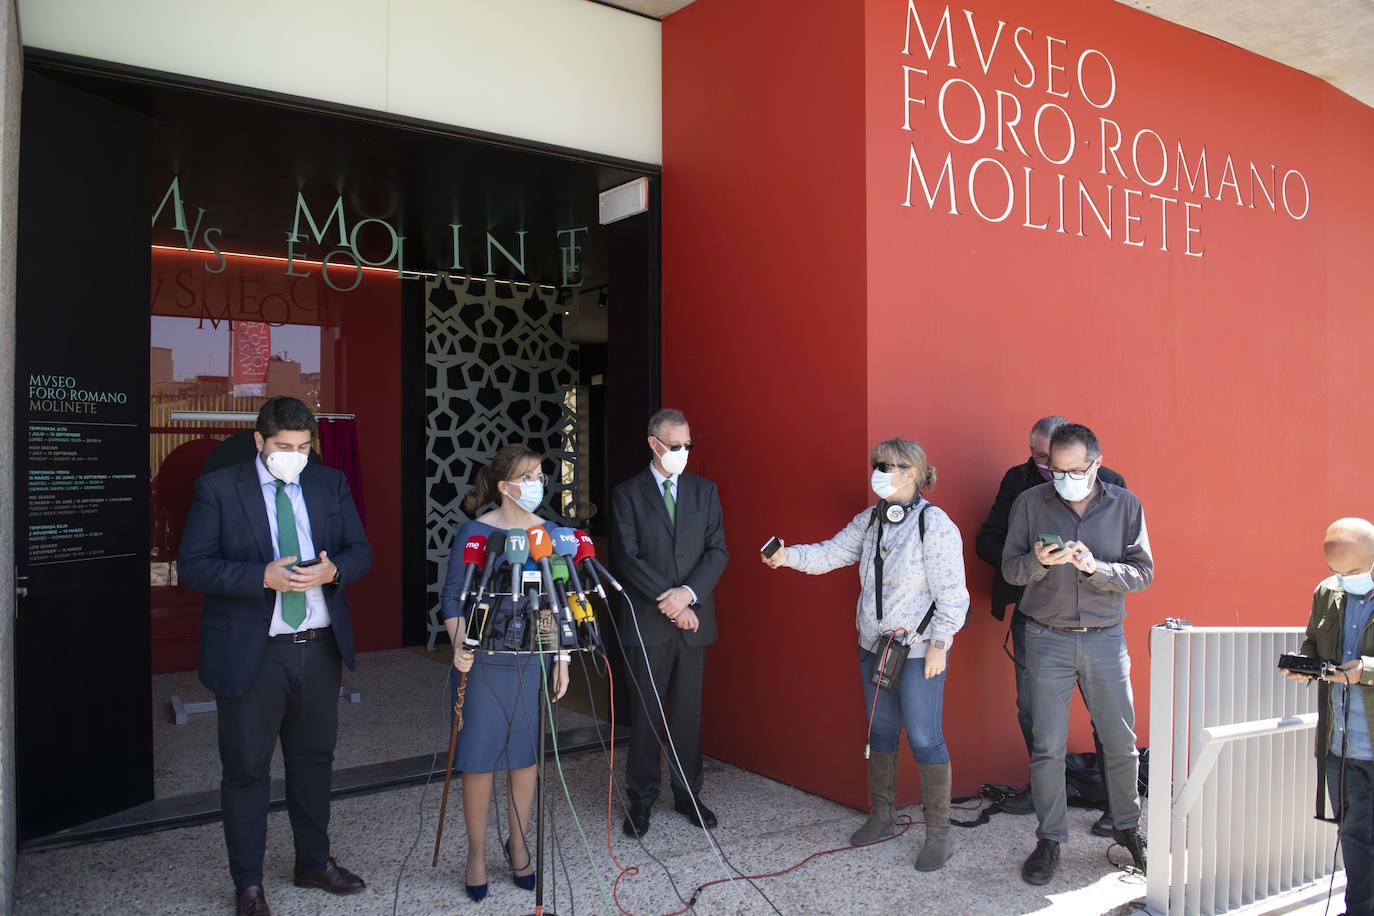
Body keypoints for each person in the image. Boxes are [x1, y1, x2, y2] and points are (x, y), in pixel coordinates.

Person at [179, 397, 373, 916]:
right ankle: (248, 883)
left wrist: (333, 572)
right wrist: (259, 576)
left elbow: (360, 551)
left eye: (303, 447)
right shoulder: (219, 488)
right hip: (254, 651)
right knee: (246, 770)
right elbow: (193, 565)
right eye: (283, 447)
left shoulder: (328, 483)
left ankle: (313, 862)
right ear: (259, 443)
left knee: (314, 763)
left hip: (318, 646)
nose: (294, 456)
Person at [763, 437, 969, 871]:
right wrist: (788, 557)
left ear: (911, 473)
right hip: (873, 646)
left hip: (917, 650)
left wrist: (940, 644)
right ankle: (882, 815)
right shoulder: (870, 521)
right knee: (881, 731)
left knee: (924, 736)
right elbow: (830, 552)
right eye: (876, 463)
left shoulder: (936, 526)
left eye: (888, 465)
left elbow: (954, 593)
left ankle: (940, 835)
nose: (878, 470)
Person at [1001, 422, 1151, 885]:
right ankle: (1049, 840)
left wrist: (1097, 568)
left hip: (1106, 637)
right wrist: (1038, 564)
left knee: (1121, 741)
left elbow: (1143, 572)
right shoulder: (1030, 503)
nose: (1063, 477)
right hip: (1047, 637)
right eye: (1055, 468)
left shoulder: (1125, 504)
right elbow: (1009, 568)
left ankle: (1128, 828)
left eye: (1074, 469)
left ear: (1096, 464)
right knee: (1047, 746)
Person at [975, 415, 1127, 831]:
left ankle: (1116, 810)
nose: (1049, 469)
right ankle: (1047, 797)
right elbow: (989, 541)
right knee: (1033, 711)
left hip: (1096, 622)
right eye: (1041, 460)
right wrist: (1030, 561)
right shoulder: (1019, 483)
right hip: (1035, 616)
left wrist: (1090, 563)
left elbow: (1131, 562)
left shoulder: (1114, 486)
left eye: (1057, 462)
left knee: (1109, 720)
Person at [440, 444, 570, 903]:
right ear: (503, 486)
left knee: (524, 759)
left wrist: (560, 658)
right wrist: (460, 645)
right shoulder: (475, 533)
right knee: (477, 762)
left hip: (528, 658)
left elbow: (555, 600)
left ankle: (518, 844)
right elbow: (453, 598)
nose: (537, 484)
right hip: (480, 659)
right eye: (527, 476)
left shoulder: (548, 533)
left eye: (540, 475)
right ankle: (476, 854)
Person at [611, 408, 729, 836]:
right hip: (649, 622)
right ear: (653, 443)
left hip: (694, 621)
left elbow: (718, 550)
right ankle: (640, 800)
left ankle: (687, 795)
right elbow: (626, 556)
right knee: (645, 715)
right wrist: (673, 603)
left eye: (687, 446)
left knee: (687, 714)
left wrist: (689, 595)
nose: (682, 453)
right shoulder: (627, 494)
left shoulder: (704, 490)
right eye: (674, 446)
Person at [1286, 517, 1374, 916]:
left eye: (1353, 571)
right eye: (1337, 571)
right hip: (1341, 743)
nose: (1344, 578)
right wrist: (1304, 664)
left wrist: (1365, 672)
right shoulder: (1327, 592)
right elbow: (1312, 641)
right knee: (1354, 836)